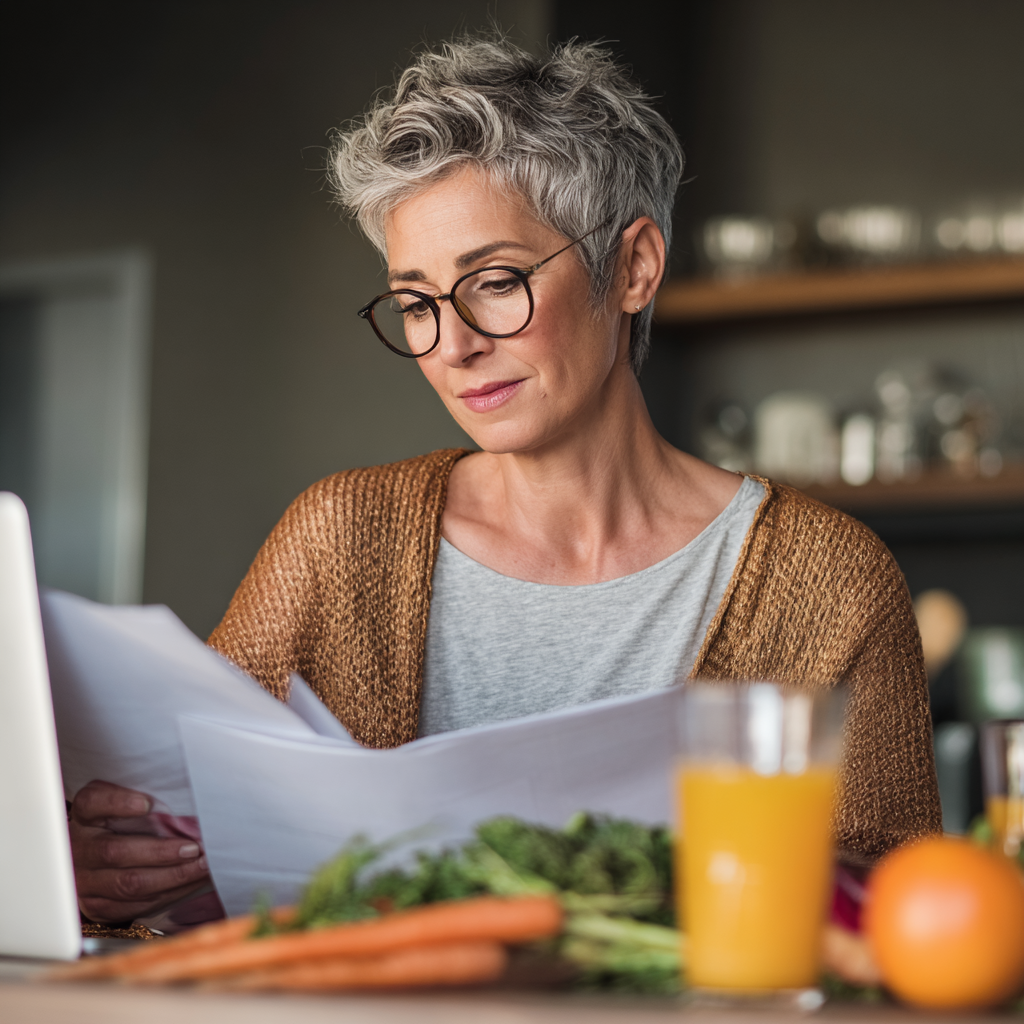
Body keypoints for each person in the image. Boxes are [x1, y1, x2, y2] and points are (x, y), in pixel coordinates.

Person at [70, 35, 941, 926]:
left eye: (493, 281)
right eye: (415, 302)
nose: (453, 345)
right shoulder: (339, 538)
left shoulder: (830, 581)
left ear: (634, 267)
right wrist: (119, 866)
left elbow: (907, 918)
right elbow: (181, 821)